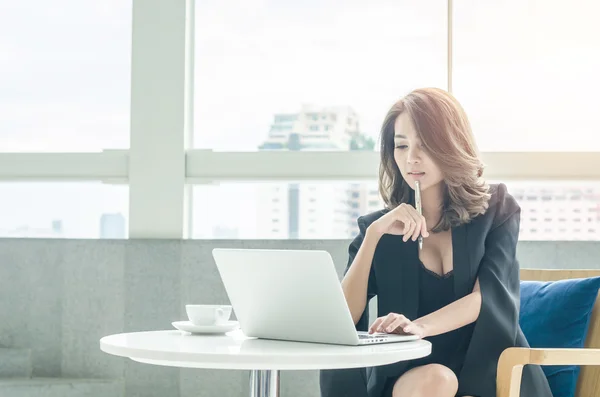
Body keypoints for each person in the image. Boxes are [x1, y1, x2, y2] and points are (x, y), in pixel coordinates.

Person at [319, 88, 553, 397]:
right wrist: (373, 236)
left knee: (444, 379)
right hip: (412, 373)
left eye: (425, 145)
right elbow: (343, 319)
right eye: (401, 146)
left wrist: (419, 327)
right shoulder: (379, 228)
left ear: (450, 145)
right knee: (437, 380)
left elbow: (485, 297)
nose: (411, 158)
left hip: (487, 367)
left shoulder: (496, 208)